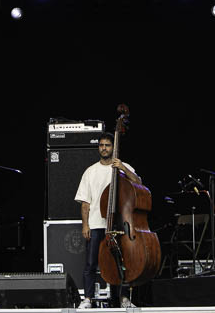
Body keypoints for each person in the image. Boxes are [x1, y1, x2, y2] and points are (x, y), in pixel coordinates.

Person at [74, 132, 141, 309]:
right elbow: (85, 203)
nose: (104, 148)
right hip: (97, 224)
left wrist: (124, 169)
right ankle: (87, 298)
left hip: (119, 225)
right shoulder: (90, 171)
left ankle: (124, 298)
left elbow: (139, 184)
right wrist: (85, 224)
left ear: (113, 147)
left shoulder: (122, 166)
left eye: (107, 145)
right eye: (101, 145)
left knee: (121, 263)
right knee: (90, 263)